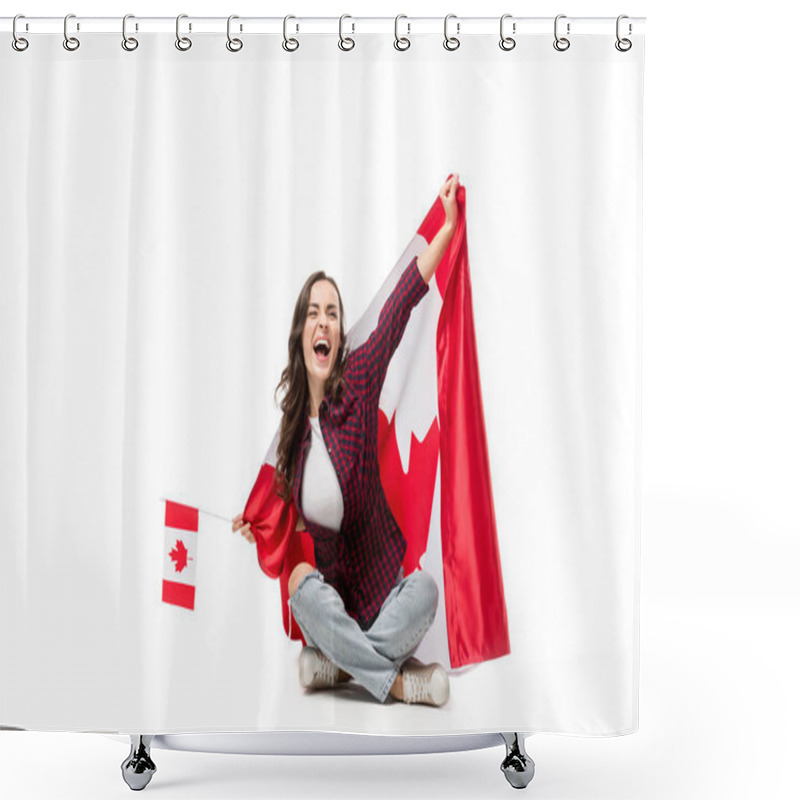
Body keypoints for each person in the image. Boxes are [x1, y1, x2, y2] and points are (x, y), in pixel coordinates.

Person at [233, 175, 460, 706]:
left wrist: (445, 229)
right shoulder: (290, 437)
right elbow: (279, 516)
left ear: (337, 335)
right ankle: (399, 681)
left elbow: (398, 308)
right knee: (298, 584)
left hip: (386, 599)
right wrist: (255, 522)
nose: (325, 320)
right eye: (314, 311)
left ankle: (340, 668)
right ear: (301, 333)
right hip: (333, 610)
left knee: (426, 590)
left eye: (332, 312)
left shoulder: (357, 379)